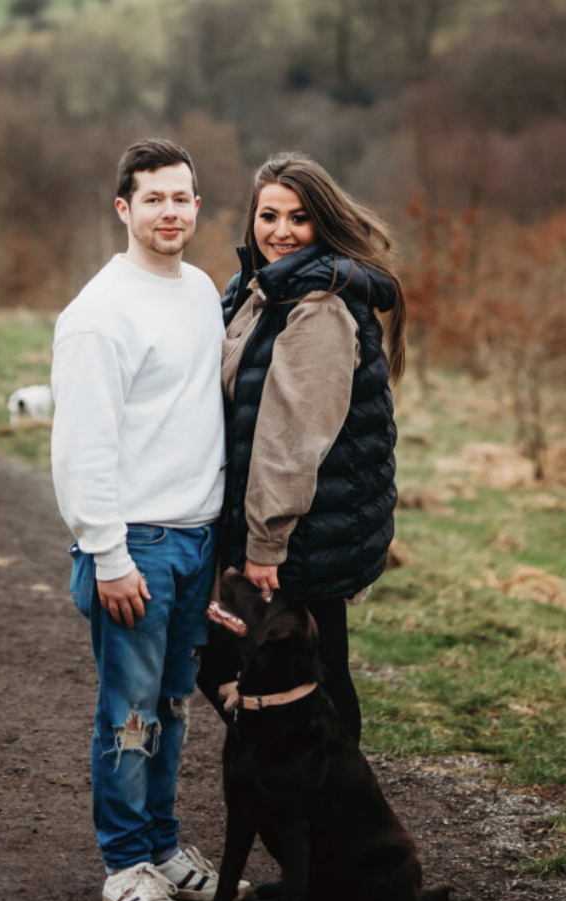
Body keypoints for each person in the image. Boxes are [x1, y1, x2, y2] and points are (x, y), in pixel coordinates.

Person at [51, 138, 249, 901]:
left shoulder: (201, 289)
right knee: (127, 713)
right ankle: (126, 863)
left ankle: (167, 848)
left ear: (198, 206)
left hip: (198, 539)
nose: (171, 212)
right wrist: (107, 552)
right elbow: (82, 447)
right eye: (154, 199)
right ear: (124, 209)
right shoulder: (100, 314)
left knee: (173, 707)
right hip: (137, 545)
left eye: (183, 197)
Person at [199, 152, 407, 745]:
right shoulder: (259, 288)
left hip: (301, 532)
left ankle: (335, 806)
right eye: (269, 215)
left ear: (324, 223)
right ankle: (307, 791)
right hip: (294, 524)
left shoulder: (316, 305)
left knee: (313, 672)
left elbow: (291, 439)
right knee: (296, 667)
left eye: (299, 218)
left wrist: (265, 544)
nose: (281, 231)